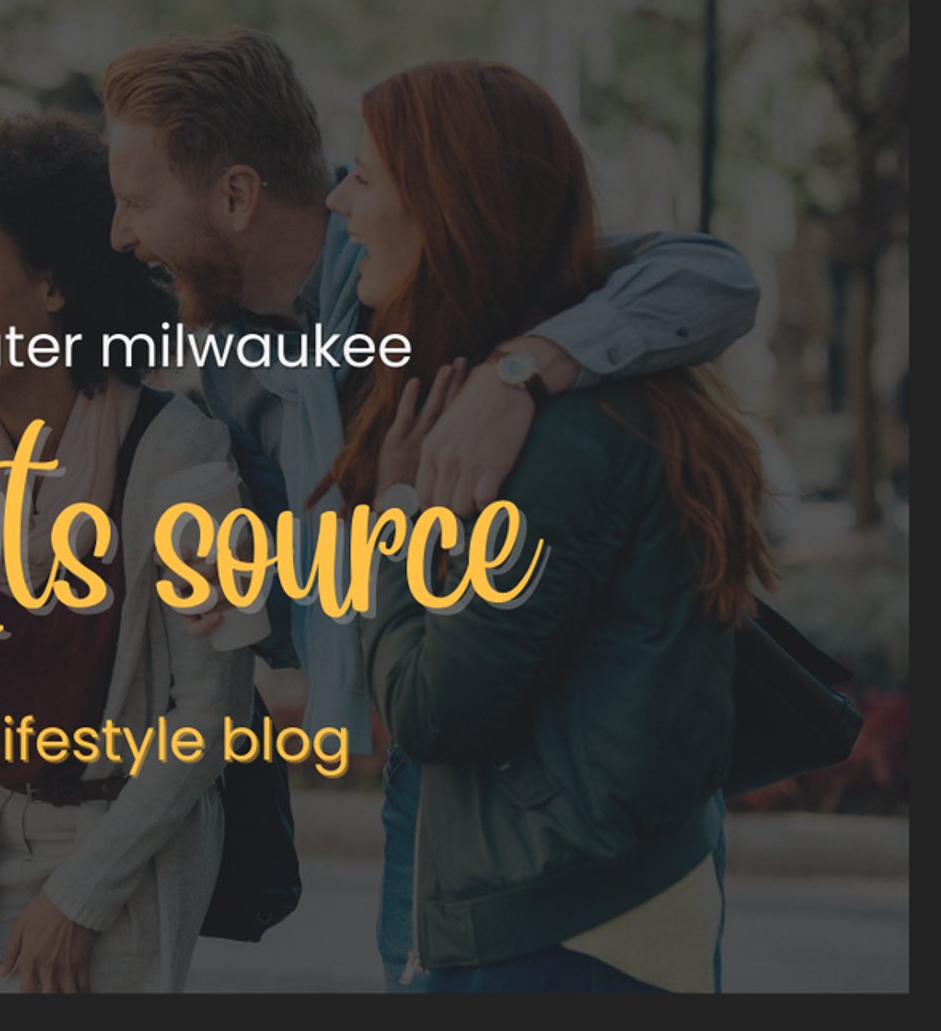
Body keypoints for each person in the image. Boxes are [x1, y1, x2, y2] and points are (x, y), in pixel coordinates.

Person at [100, 27, 761, 989]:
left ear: (236, 196)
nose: (123, 236)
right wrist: (253, 587)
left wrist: (521, 372)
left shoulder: (441, 274)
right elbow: (336, 578)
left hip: (552, 795)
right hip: (435, 761)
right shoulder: (236, 359)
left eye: (135, 203)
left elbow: (714, 277)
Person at [327, 59, 769, 991]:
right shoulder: (538, 399)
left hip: (564, 933)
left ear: (447, 209)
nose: (341, 204)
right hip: (579, 911)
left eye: (364, 178)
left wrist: (396, 525)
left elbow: (428, 709)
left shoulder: (557, 439)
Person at [0, 114, 256, 993]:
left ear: (52, 286)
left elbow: (208, 722)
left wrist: (77, 899)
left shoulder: (176, 452)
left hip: (123, 855)